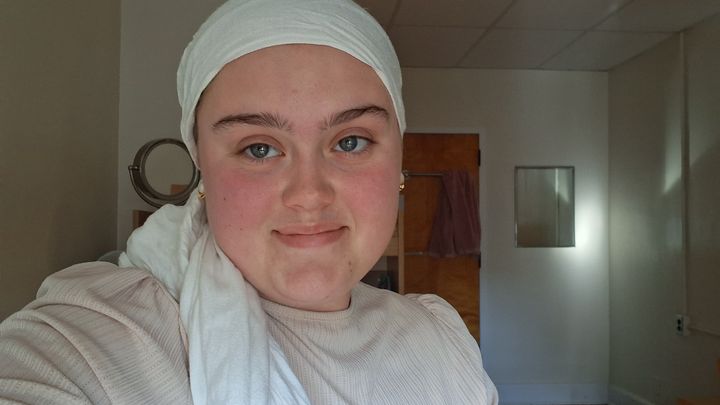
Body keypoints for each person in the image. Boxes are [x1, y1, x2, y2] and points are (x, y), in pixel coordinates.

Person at [0, 0, 499, 404]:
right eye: (259, 149)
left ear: (398, 163)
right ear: (202, 166)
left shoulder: (440, 339)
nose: (309, 194)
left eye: (350, 142)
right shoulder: (101, 337)